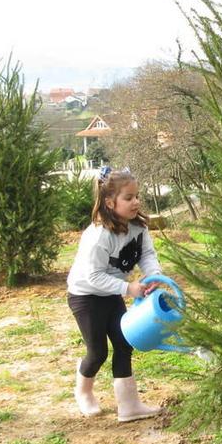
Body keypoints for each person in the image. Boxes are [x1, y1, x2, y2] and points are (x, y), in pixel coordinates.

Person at [66, 166, 163, 421]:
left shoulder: (138, 228)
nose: (136, 202)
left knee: (124, 342)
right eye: (128, 198)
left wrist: (152, 277)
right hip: (85, 296)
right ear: (110, 202)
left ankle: (129, 406)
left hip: (111, 294)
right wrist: (128, 288)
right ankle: (83, 392)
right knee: (97, 351)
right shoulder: (98, 236)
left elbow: (147, 255)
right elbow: (93, 276)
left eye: (137, 196)